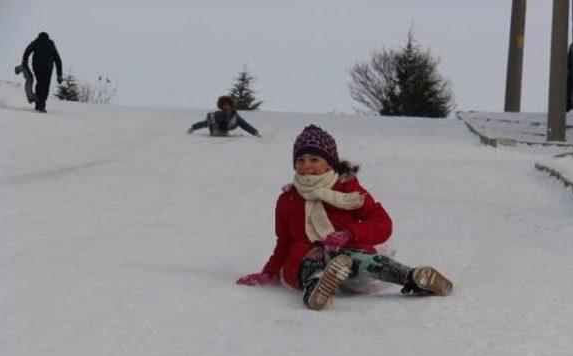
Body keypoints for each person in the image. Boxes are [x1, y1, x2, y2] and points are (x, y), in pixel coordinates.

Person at [235, 124, 453, 310]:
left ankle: (413, 277)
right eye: (300, 159)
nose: (306, 166)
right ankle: (318, 289)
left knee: (359, 259)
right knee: (311, 262)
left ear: (329, 162)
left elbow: (382, 223)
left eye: (314, 159)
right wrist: (269, 272)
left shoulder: (348, 191)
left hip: (347, 252)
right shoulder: (288, 200)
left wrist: (349, 233)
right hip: (306, 257)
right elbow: (283, 242)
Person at [22, 32, 63, 113]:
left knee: (39, 83)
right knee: (45, 86)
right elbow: (58, 59)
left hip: (37, 67)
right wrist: (59, 75)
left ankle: (38, 104)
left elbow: (28, 50)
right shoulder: (50, 44)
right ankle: (41, 105)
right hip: (47, 68)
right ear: (47, 37)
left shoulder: (36, 42)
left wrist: (25, 60)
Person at [188, 96, 260, 137]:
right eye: (224, 105)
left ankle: (224, 133)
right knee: (211, 115)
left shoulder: (235, 116)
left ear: (231, 105)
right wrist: (193, 127)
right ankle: (217, 132)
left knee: (236, 121)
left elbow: (245, 125)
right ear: (221, 106)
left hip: (226, 130)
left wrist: (255, 132)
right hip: (216, 130)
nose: (226, 106)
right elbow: (205, 123)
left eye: (227, 104)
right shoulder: (218, 114)